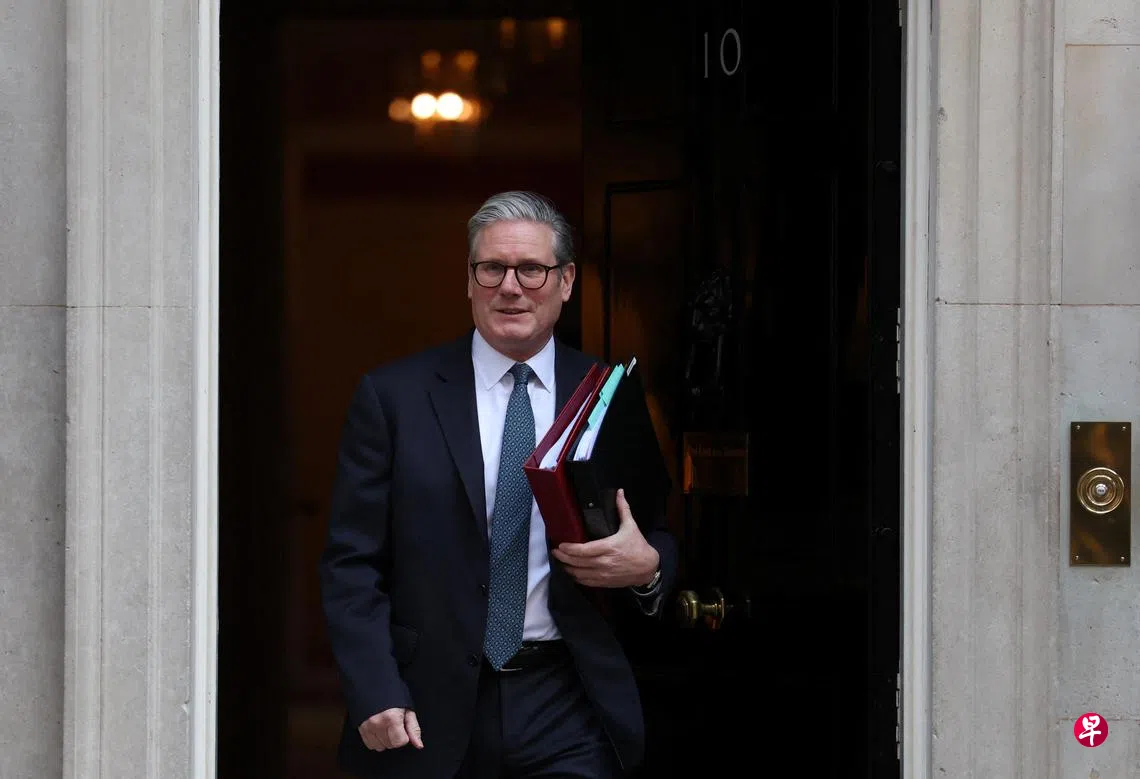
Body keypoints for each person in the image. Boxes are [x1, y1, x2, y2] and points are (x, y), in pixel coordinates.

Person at [318, 190, 678, 779]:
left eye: (531, 269)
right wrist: (373, 687)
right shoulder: (393, 398)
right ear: (469, 280)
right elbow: (351, 563)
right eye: (492, 268)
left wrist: (649, 568)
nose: (510, 287)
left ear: (565, 281)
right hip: (425, 707)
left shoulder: (607, 394)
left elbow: (657, 531)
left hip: (567, 701)